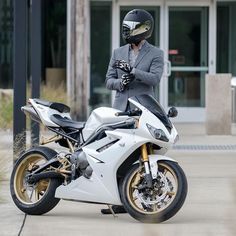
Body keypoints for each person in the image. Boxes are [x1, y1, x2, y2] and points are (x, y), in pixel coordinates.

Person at [102, 9, 164, 215]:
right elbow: (108, 80)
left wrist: (132, 72)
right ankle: (118, 200)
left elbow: (154, 79)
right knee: (118, 155)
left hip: (143, 110)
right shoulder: (117, 52)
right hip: (121, 111)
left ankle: (140, 198)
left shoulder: (156, 53)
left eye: (130, 27)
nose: (127, 31)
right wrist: (121, 82)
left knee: (143, 155)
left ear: (143, 29)